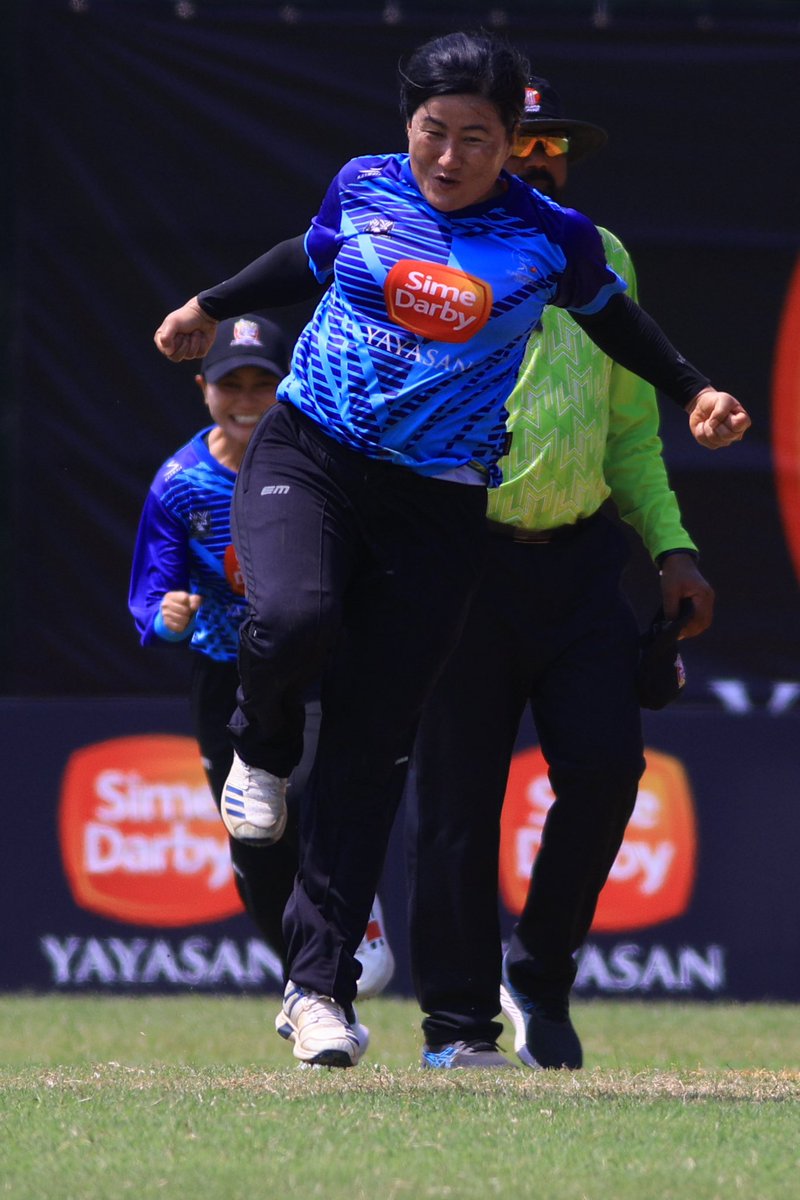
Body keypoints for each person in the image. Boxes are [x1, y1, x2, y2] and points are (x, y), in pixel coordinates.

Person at [153, 30, 750, 1069]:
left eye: (482, 137)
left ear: (515, 142)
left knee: (395, 746)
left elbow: (619, 354)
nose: (453, 155)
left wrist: (693, 394)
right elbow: (310, 253)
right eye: (436, 131)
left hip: (454, 512)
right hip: (324, 457)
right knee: (297, 622)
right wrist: (210, 304)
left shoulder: (556, 243)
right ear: (409, 127)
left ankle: (332, 989)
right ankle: (263, 751)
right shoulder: (365, 186)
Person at [405, 76, 738, 1071]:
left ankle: (537, 971)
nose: (540, 158)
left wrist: (671, 550)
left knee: (603, 771)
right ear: (487, 150)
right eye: (524, 142)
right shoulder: (428, 254)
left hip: (580, 559)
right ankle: (457, 1026)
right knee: (457, 805)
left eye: (551, 147)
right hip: (459, 562)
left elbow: (630, 435)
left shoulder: (605, 261)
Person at [128, 314, 395, 1054]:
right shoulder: (182, 484)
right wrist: (169, 613)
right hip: (226, 680)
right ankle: (303, 989)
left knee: (311, 799)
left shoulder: (328, 462)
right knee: (253, 835)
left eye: (263, 382)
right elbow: (150, 591)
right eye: (230, 384)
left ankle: (333, 956)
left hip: (314, 672)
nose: (247, 399)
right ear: (202, 389)